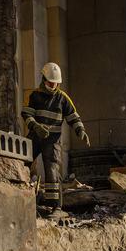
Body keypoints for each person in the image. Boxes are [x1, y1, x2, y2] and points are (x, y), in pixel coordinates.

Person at [20, 62, 89, 213]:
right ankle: (19, 196)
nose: (53, 86)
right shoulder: (34, 95)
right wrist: (36, 127)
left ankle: (55, 206)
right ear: (43, 79)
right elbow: (26, 114)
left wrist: (80, 131)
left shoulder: (63, 98)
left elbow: (73, 117)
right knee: (23, 162)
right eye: (50, 83)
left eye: (56, 83)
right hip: (35, 137)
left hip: (52, 141)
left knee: (52, 170)